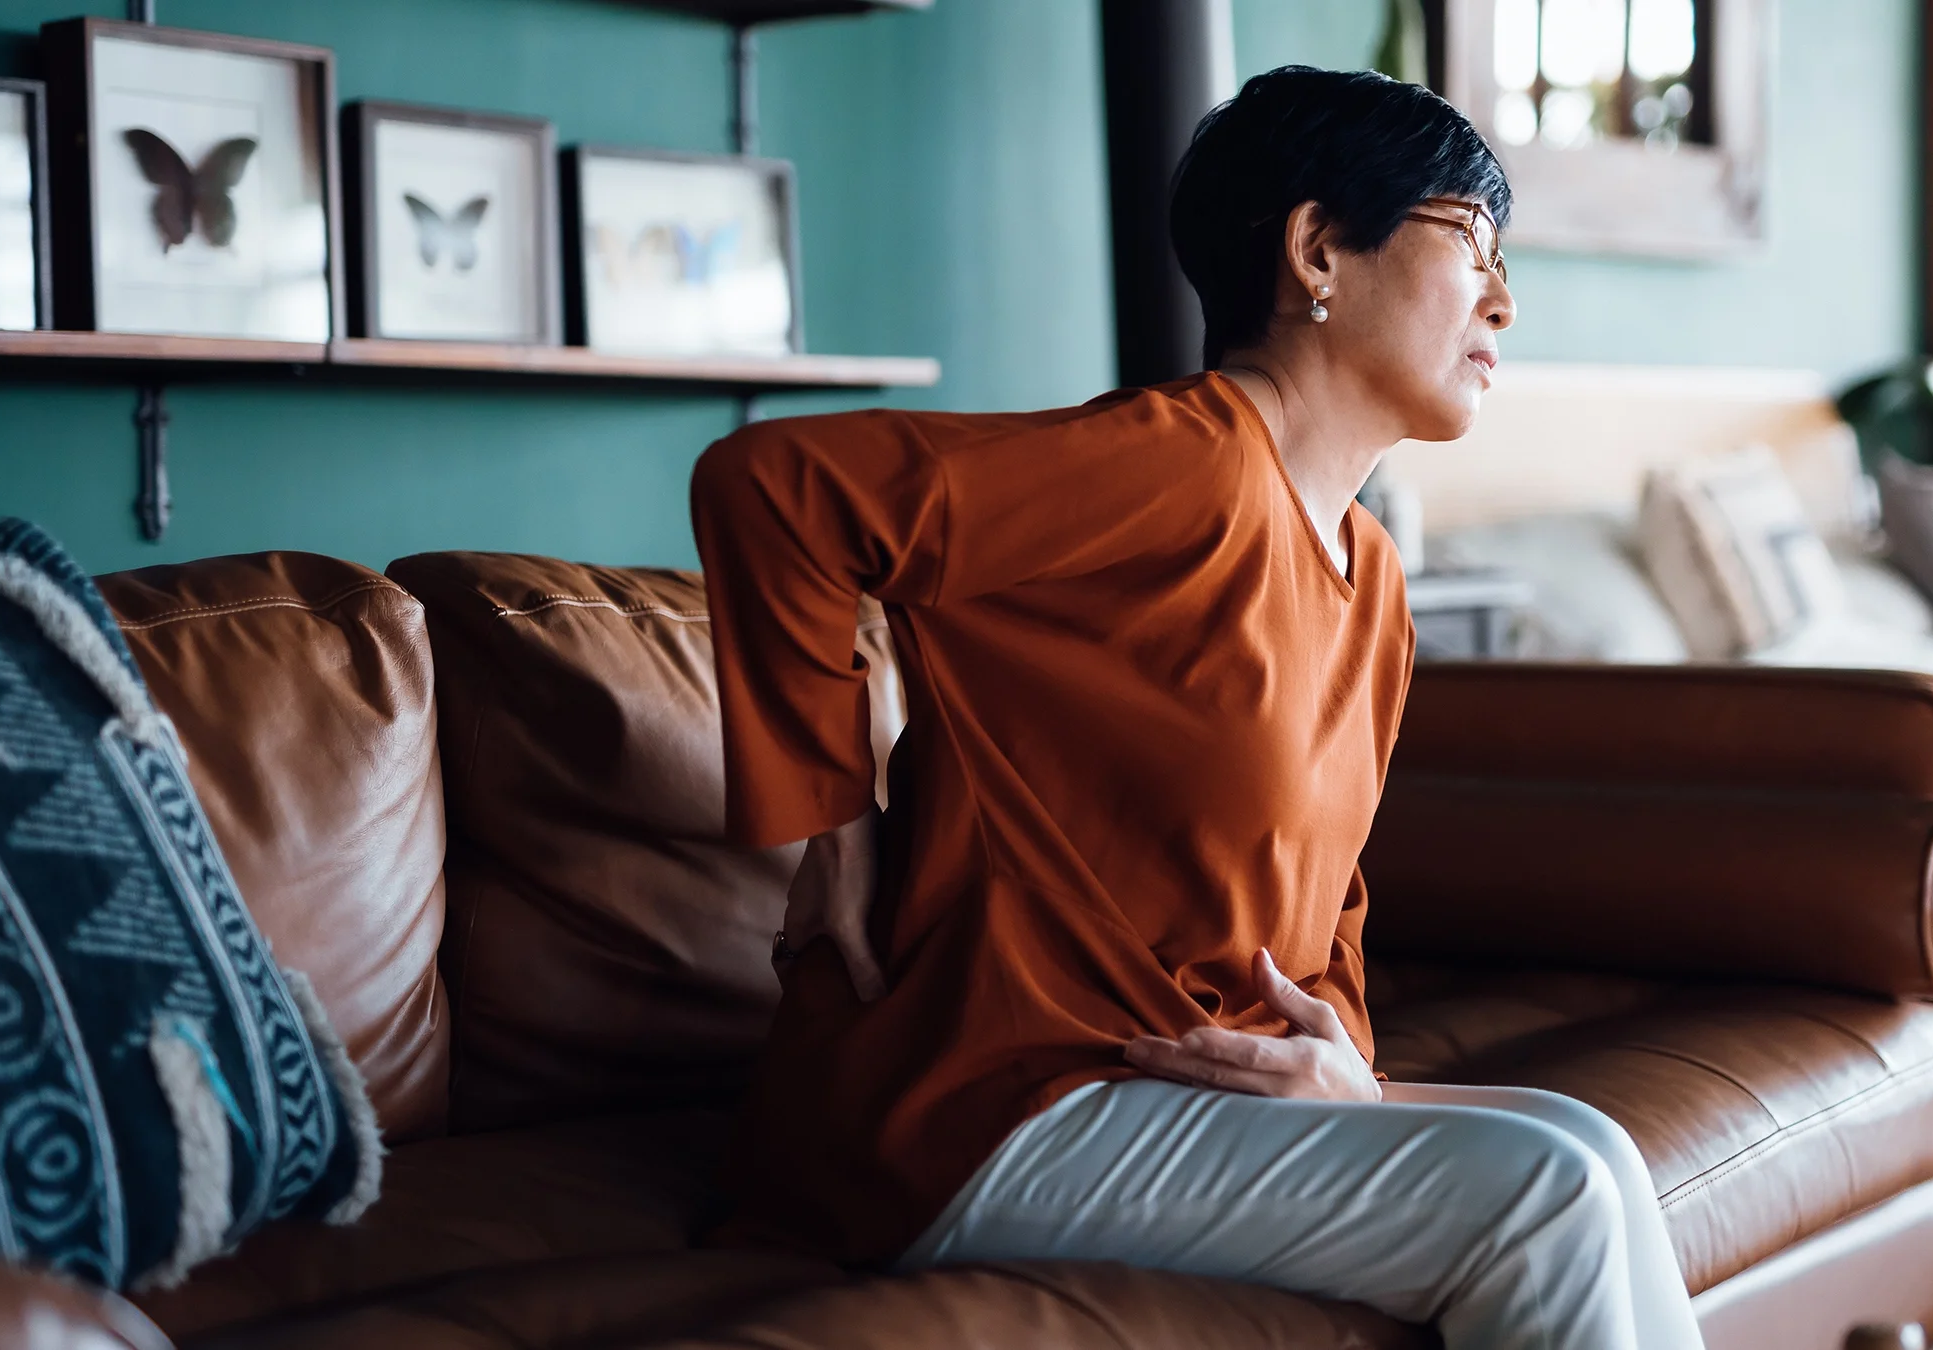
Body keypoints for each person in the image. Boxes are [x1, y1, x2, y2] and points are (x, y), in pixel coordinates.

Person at [691, 65, 1705, 1350]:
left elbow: (1326, 908)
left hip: (1185, 1094)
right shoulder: (1189, 463)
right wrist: (830, 823)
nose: (1504, 300)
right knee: (1549, 1195)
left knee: (1591, 1147)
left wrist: (1349, 1064)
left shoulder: (1373, 577)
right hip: (987, 1101)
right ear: (1318, 248)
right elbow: (773, 488)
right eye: (1471, 241)